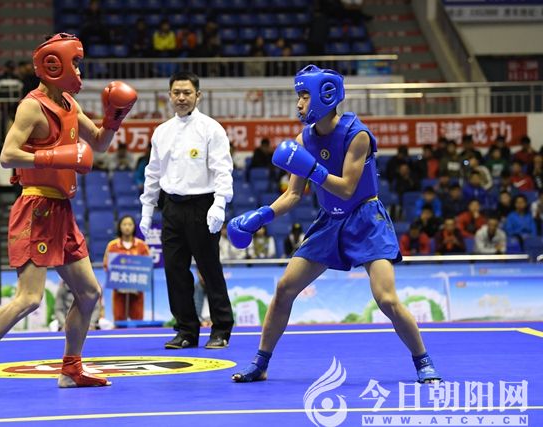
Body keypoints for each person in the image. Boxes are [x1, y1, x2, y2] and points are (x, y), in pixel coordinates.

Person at [0, 33, 138, 399]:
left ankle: (71, 369)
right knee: (29, 298)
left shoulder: (69, 102)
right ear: (55, 65)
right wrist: (55, 156)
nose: (79, 71)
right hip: (35, 208)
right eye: (76, 63)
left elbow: (98, 143)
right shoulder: (31, 107)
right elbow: (7, 155)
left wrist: (114, 118)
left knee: (89, 293)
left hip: (62, 210)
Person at [227, 65, 440, 384]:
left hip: (366, 220)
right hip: (329, 221)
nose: (299, 104)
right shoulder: (303, 139)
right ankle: (260, 363)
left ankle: (423, 361)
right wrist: (261, 216)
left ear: (324, 97)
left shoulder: (357, 134)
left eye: (304, 96)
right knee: (284, 289)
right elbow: (293, 195)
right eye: (298, 97)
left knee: (386, 298)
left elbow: (347, 189)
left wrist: (313, 168)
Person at [139, 71, 234, 350]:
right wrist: (147, 210)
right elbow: (153, 173)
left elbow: (223, 170)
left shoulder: (211, 129)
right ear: (169, 96)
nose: (181, 98)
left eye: (187, 93)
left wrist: (220, 203)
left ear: (198, 96)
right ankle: (186, 330)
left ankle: (221, 329)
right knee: (175, 271)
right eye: (176, 93)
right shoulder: (161, 132)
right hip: (171, 207)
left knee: (209, 269)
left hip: (202, 206)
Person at [103, 215, 151, 321]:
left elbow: (147, 267)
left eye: (130, 224)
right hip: (119, 291)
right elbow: (106, 266)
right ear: (120, 227)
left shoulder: (142, 246)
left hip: (137, 291)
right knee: (119, 321)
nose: (127, 227)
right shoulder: (112, 246)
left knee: (138, 321)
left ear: (134, 227)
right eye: (124, 224)